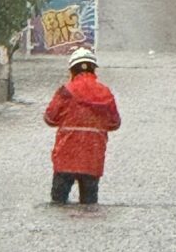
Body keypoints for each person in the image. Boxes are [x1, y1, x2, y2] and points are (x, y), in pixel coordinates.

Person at [44, 47, 121, 204]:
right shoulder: (105, 92)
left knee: (58, 205)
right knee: (89, 204)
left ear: (72, 69)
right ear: (93, 69)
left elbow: (49, 118)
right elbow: (115, 123)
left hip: (66, 158)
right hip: (92, 159)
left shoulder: (66, 91)